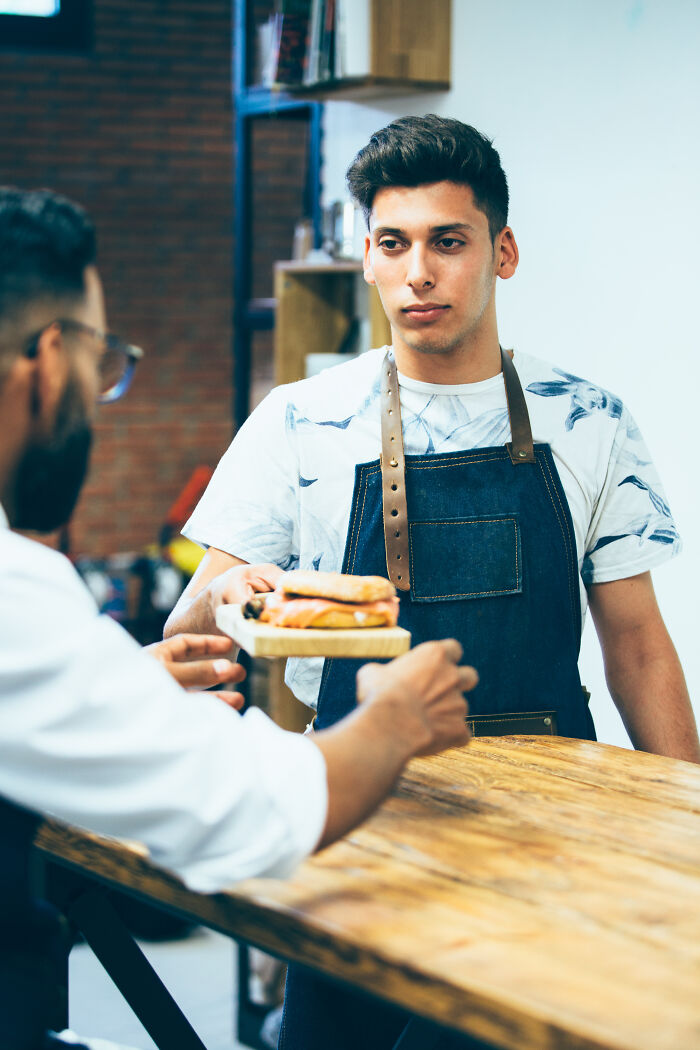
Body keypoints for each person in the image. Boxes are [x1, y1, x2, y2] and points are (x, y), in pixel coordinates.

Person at [165, 114, 700, 1048]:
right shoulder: (299, 422)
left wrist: (688, 832)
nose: (420, 271)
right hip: (358, 818)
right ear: (366, 259)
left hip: (554, 829)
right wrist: (230, 624)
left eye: (448, 242)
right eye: (393, 244)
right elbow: (195, 632)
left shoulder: (590, 420)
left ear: (503, 252)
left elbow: (639, 644)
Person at [0, 186, 478, 1050]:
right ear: (45, 358)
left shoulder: (586, 415)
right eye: (101, 365)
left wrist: (117, 688)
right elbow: (253, 813)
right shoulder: (14, 591)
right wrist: (396, 719)